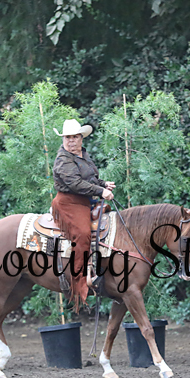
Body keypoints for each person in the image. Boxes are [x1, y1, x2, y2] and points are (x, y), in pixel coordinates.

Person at [51, 118, 115, 310]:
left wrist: (103, 184)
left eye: (74, 137)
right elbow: (75, 183)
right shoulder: (63, 160)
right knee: (83, 234)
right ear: (63, 139)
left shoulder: (82, 154)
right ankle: (79, 282)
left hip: (85, 199)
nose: (71, 141)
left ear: (81, 138)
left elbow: (89, 178)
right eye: (67, 137)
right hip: (69, 202)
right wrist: (100, 191)